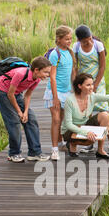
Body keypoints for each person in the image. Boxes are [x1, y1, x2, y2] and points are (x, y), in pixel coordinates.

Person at [0, 56, 51, 163]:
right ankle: (14, 153)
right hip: (3, 92)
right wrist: (19, 112)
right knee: (14, 121)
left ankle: (34, 152)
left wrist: (25, 112)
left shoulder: (37, 79)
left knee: (31, 118)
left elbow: (28, 95)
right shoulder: (20, 74)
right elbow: (10, 94)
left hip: (16, 93)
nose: (47, 75)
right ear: (36, 70)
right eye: (45, 72)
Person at [43, 25, 76, 161]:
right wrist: (55, 98)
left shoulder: (70, 52)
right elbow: (52, 76)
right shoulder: (54, 54)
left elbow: (73, 73)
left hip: (67, 92)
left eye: (70, 39)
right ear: (59, 39)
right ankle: (54, 149)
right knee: (56, 120)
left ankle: (62, 143)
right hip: (54, 91)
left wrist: (76, 91)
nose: (69, 41)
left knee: (62, 119)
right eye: (67, 39)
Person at [73, 24, 108, 154]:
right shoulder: (76, 47)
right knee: (87, 113)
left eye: (90, 38)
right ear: (79, 40)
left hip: (98, 82)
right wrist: (76, 84)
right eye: (85, 40)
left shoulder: (98, 45)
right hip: (83, 83)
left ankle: (105, 145)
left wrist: (96, 85)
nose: (89, 41)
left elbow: (102, 67)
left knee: (104, 112)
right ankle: (89, 143)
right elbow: (75, 67)